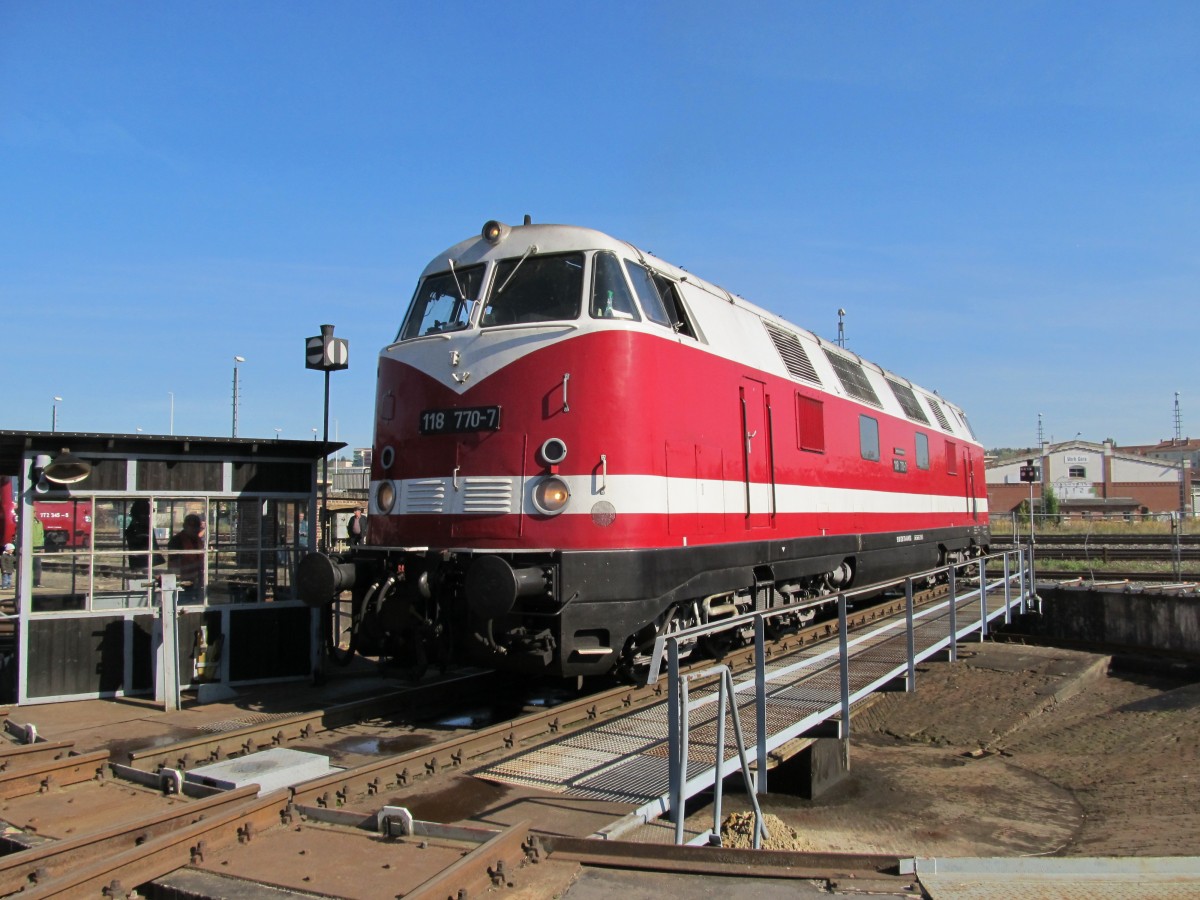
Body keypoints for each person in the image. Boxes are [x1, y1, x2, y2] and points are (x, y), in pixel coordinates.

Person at [168, 513, 206, 598]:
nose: (195, 529)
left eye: (197, 526)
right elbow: (173, 565)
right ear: (185, 526)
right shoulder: (176, 541)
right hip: (181, 581)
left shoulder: (198, 540)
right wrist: (176, 581)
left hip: (197, 580)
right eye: (192, 526)